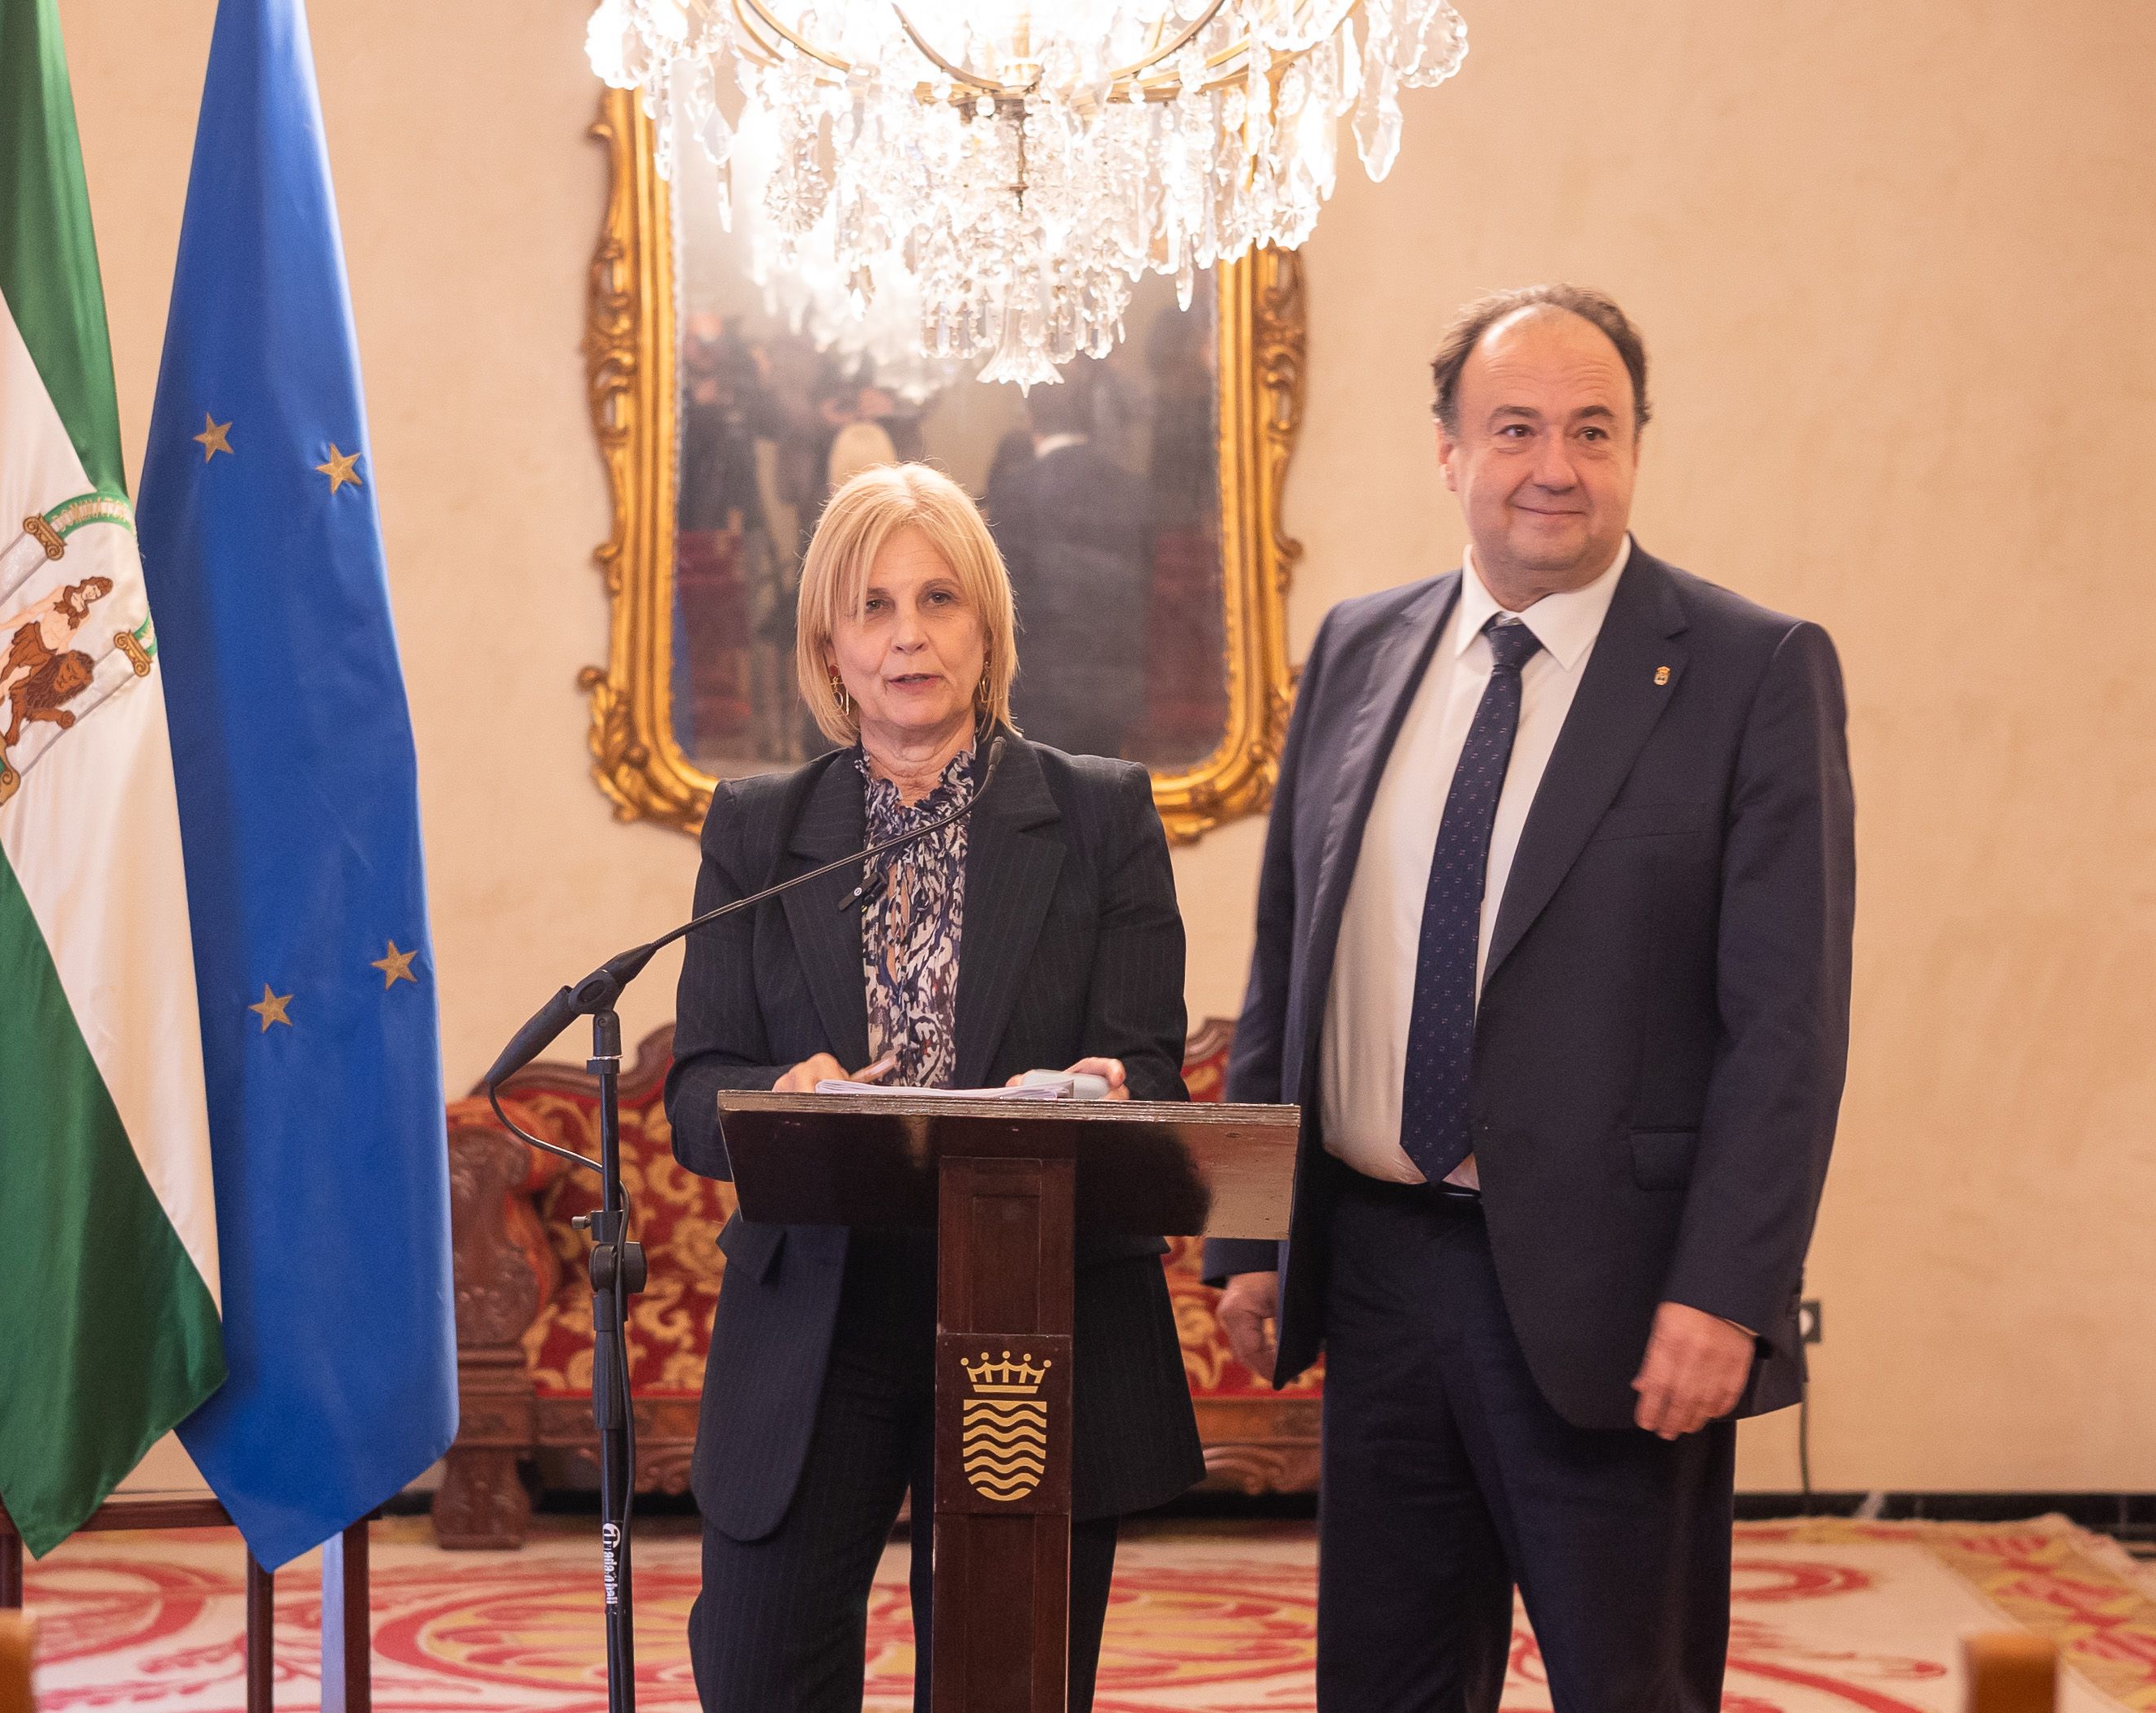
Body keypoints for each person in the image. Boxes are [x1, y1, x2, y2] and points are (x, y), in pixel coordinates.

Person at [1206, 285, 1854, 1711]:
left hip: (1622, 1302)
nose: (1554, 464)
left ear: (1636, 447)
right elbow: (1284, 963)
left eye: (1592, 428)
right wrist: (1251, 1235)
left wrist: (1726, 1292)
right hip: (1376, 1276)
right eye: (1515, 428)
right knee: (1384, 1685)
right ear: (1448, 450)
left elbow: (1788, 1028)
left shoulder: (1751, 671)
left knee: (1629, 1688)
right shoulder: (1359, 650)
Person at [669, 463, 1204, 1712]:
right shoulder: (757, 829)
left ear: (984, 631)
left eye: (938, 599)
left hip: (1030, 1317)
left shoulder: (1097, 817)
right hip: (817, 1323)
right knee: (757, 1680)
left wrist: (1098, 1084)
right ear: (829, 647)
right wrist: (780, 1092)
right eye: (872, 606)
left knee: (1002, 1684)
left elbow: (1159, 1075)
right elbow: (697, 1089)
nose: (907, 633)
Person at [988, 373, 1154, 758]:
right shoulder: (1131, 488)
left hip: (1039, 684)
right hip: (1116, 681)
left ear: (1031, 419)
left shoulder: (1014, 490)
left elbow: (1007, 594)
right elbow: (1144, 587)